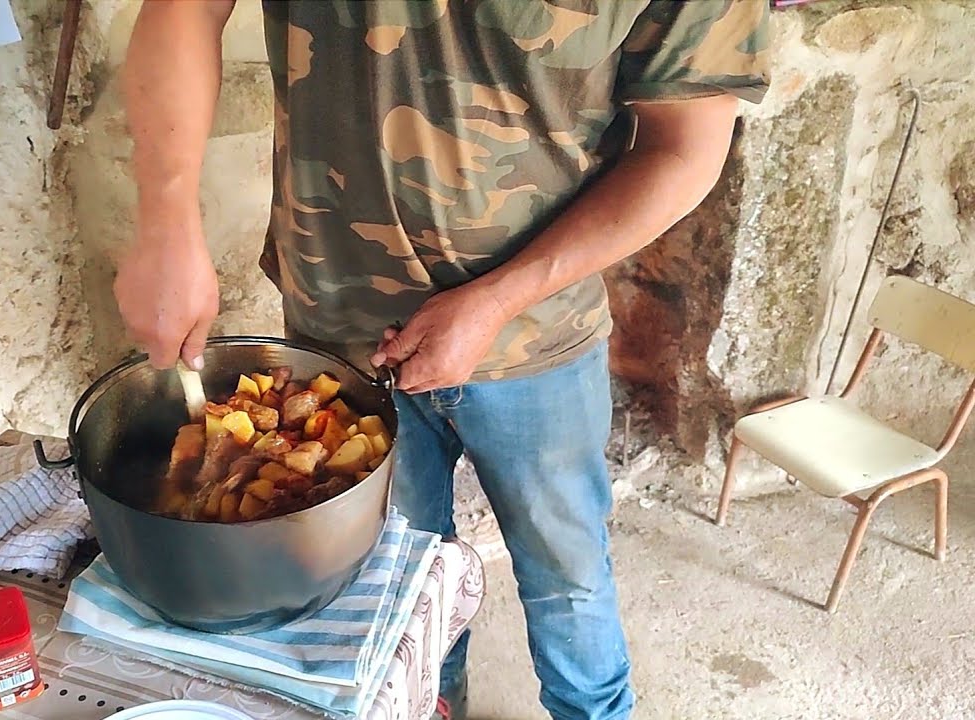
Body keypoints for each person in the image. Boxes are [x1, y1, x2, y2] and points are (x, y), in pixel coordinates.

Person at [116, 2, 770, 718]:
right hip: (339, 329)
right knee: (390, 579)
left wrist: (495, 300)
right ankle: (427, 703)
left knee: (568, 575)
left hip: (537, 334)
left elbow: (685, 148)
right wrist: (166, 227)